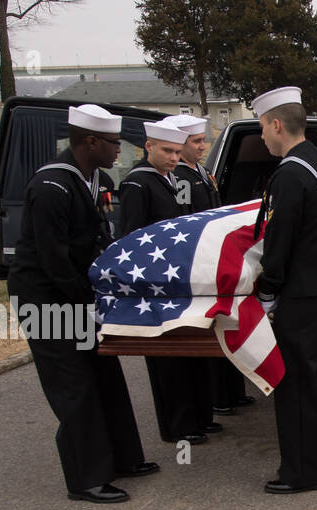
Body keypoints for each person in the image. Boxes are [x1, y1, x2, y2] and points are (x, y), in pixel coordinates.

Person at [7, 103, 156, 503]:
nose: (119, 151)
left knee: (104, 376)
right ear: (89, 141)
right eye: (113, 143)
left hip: (76, 294)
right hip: (47, 301)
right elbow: (53, 259)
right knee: (74, 386)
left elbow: (98, 240)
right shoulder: (52, 187)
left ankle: (123, 458)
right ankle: (86, 478)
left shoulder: (94, 179)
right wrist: (88, 301)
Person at [252, 86, 317, 494]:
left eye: (261, 129)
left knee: (295, 386)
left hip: (302, 295)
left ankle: (304, 472)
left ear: (276, 124)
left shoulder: (291, 173)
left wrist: (267, 289)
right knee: (316, 380)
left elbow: (281, 240)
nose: (262, 138)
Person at [119, 117, 216, 445]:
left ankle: (199, 417)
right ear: (148, 147)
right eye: (167, 151)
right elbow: (132, 238)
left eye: (177, 151)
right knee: (167, 359)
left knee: (188, 352)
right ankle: (178, 426)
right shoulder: (138, 183)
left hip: (177, 280)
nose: (174, 158)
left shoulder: (171, 179)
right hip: (154, 285)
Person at [169, 114, 256, 417]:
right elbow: (187, 219)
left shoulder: (203, 173)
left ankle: (229, 392)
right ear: (180, 145)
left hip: (213, 258)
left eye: (203, 140)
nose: (203, 146)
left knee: (224, 324)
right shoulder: (180, 178)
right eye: (196, 142)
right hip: (199, 259)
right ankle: (216, 397)